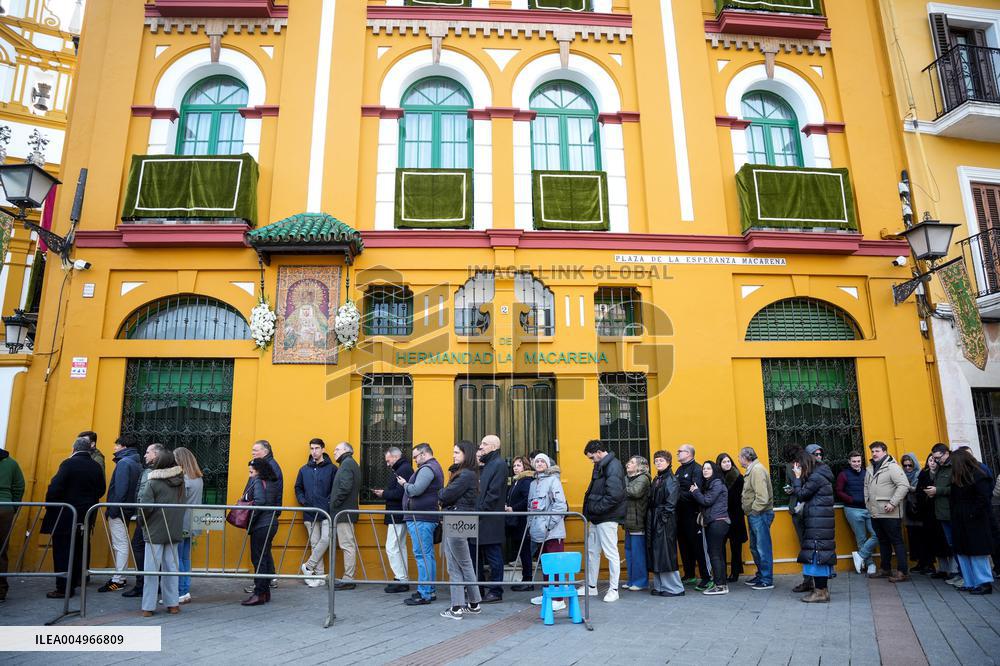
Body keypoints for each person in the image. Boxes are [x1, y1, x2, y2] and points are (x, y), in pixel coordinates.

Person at [41, 437, 105, 598]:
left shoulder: (68, 464)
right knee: (78, 549)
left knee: (62, 551)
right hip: (86, 515)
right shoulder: (96, 466)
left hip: (65, 515)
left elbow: (55, 487)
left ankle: (63, 587)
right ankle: (76, 580)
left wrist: (51, 506)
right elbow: (101, 489)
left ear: (73, 449)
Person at [438, 440, 483, 620]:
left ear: (466, 454)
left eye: (457, 452)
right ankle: (473, 602)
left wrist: (441, 493)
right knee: (463, 562)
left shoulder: (465, 475)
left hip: (458, 519)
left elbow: (446, 495)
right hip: (461, 518)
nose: (453, 455)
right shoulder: (469, 474)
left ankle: (457, 607)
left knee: (457, 564)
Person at [138, 449, 185, 617]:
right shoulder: (181, 481)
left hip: (155, 529)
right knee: (172, 568)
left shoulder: (153, 482)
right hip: (174, 529)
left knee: (151, 569)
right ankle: (173, 604)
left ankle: (148, 607)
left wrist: (141, 523)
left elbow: (145, 508)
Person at [580, 439, 625, 603]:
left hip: (606, 517)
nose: (592, 461)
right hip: (598, 517)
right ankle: (591, 587)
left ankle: (614, 589)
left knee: (610, 552)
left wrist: (595, 509)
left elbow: (615, 495)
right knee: (593, 552)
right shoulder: (603, 465)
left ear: (599, 452)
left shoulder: (612, 466)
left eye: (592, 457)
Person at [788, 450, 836, 603]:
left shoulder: (816, 477)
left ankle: (820, 592)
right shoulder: (819, 474)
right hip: (820, 520)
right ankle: (823, 591)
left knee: (817, 555)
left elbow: (801, 494)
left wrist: (796, 478)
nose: (798, 469)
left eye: (799, 466)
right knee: (819, 554)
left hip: (818, 522)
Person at [401, 443, 444, 606]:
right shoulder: (433, 467)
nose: (415, 461)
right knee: (427, 555)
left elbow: (415, 490)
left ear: (424, 454)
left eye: (415, 457)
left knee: (422, 556)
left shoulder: (427, 468)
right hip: (424, 517)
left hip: (421, 518)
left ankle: (425, 593)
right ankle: (428, 590)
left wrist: (404, 485)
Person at [99, 436, 142, 593]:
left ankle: (118, 579)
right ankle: (119, 578)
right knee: (122, 543)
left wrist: (113, 510)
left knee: (120, 544)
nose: (114, 448)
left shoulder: (124, 463)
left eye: (116, 445)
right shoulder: (135, 461)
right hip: (128, 509)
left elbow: (121, 490)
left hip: (119, 510)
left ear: (123, 446)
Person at [123, 443, 165, 599]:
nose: (145, 455)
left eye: (148, 452)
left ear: (156, 455)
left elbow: (146, 494)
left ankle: (143, 584)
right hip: (149, 517)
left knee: (140, 546)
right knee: (147, 549)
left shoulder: (153, 473)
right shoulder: (150, 471)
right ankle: (150, 583)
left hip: (148, 518)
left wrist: (141, 513)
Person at [950, 448, 995, 594]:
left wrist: (971, 514)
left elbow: (984, 499)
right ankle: (970, 582)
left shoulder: (979, 475)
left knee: (977, 552)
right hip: (961, 519)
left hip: (975, 520)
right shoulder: (958, 476)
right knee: (963, 552)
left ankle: (984, 583)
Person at [864, 441, 911, 582]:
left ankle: (903, 571)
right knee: (883, 541)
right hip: (875, 512)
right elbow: (866, 486)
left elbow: (904, 485)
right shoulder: (870, 467)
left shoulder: (892, 467)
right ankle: (885, 568)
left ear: (884, 452)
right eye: (872, 451)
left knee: (896, 541)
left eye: (877, 451)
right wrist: (867, 502)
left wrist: (893, 502)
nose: (874, 454)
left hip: (890, 512)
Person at [526, 453, 568, 609]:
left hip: (552, 532)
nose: (539, 463)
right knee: (545, 565)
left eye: (542, 461)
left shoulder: (553, 481)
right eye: (536, 461)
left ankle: (558, 599)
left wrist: (549, 525)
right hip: (538, 532)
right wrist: (531, 526)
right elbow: (530, 507)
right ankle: (547, 594)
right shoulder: (532, 484)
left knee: (555, 565)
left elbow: (561, 506)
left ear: (548, 464)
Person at [294, 438, 335, 588]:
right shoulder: (304, 469)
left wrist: (327, 503)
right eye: (312, 448)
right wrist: (303, 501)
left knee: (326, 539)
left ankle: (308, 566)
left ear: (323, 449)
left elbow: (334, 490)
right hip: (309, 512)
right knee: (315, 543)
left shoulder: (332, 469)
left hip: (326, 512)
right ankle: (319, 577)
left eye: (317, 448)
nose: (314, 451)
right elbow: (298, 487)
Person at [372, 446, 412, 593]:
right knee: (400, 546)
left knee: (392, 546)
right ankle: (402, 578)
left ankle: (401, 578)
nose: (387, 463)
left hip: (397, 513)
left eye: (388, 460)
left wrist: (384, 494)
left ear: (395, 457)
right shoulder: (404, 468)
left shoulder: (403, 469)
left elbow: (400, 493)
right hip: (399, 513)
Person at [242, 457, 281, 606]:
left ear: (258, 471)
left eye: (251, 472)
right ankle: (264, 592)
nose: (250, 475)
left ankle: (259, 593)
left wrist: (251, 520)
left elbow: (259, 502)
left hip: (261, 525)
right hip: (271, 524)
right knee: (263, 558)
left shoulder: (257, 481)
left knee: (258, 559)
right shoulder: (273, 482)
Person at [474, 435, 507, 603]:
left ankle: (496, 590)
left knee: (494, 555)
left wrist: (480, 510)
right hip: (482, 517)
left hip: (490, 518)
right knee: (479, 556)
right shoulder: (488, 465)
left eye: (484, 444)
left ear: (494, 447)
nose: (481, 447)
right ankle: (479, 588)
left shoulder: (499, 464)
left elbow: (493, 493)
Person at [647, 451, 683, 597]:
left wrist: (662, 519)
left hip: (664, 520)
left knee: (666, 553)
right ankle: (661, 585)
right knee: (657, 552)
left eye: (661, 460)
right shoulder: (658, 478)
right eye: (656, 460)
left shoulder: (671, 480)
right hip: (656, 518)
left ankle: (674, 588)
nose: (658, 462)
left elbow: (671, 503)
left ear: (668, 462)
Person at [836, 450, 878, 576]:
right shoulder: (844, 474)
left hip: (868, 508)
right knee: (861, 538)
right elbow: (839, 491)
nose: (856, 463)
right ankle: (870, 564)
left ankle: (860, 555)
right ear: (849, 462)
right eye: (854, 461)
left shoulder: (867, 473)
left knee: (877, 534)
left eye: (858, 461)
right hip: (852, 509)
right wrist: (851, 499)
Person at [690, 461, 730, 595]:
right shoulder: (711, 484)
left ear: (714, 470)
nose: (705, 471)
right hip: (716, 522)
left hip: (717, 522)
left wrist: (695, 492)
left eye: (708, 468)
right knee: (717, 554)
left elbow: (707, 501)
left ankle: (720, 586)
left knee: (715, 555)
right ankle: (722, 584)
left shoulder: (716, 483)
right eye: (704, 469)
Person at [925, 443, 961, 585]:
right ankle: (959, 573)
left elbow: (956, 488)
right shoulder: (941, 467)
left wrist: (937, 491)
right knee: (952, 544)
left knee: (957, 544)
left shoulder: (955, 467)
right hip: (941, 512)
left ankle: (961, 573)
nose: (936, 461)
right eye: (934, 458)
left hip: (951, 511)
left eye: (938, 457)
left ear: (946, 453)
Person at [740, 446, 774, 590]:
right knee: (755, 547)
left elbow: (762, 496)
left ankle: (766, 579)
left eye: (739, 457)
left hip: (759, 514)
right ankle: (761, 575)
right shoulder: (752, 470)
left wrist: (754, 511)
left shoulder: (757, 470)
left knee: (762, 547)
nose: (739, 459)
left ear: (745, 458)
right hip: (755, 515)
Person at [328, 441, 361, 591]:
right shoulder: (349, 463)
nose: (334, 452)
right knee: (347, 544)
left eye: (337, 449)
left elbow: (345, 486)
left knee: (347, 545)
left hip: (343, 512)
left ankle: (348, 578)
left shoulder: (347, 464)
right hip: (345, 511)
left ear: (346, 450)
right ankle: (348, 577)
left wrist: (334, 503)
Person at [675, 444, 709, 589]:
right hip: (679, 514)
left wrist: (678, 494)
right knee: (683, 545)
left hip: (693, 514)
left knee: (697, 546)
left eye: (680, 451)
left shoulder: (696, 469)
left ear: (688, 454)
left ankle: (706, 577)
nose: (677, 453)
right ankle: (689, 574)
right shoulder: (678, 469)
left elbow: (695, 492)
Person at [173, 447, 203, 604]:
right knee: (185, 557)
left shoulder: (184, 480)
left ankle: (180, 591)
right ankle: (185, 590)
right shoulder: (198, 478)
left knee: (177, 559)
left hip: (181, 522)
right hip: (193, 522)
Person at [918, 454, 955, 578]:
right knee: (936, 541)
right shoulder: (924, 474)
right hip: (929, 513)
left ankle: (954, 570)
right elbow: (919, 492)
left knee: (948, 542)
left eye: (935, 460)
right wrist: (925, 495)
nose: (933, 462)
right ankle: (942, 569)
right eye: (930, 460)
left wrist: (936, 491)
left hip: (944, 511)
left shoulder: (944, 473)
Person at [717, 453, 747, 582]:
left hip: (735, 516)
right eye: (724, 462)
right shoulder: (716, 478)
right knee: (719, 546)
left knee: (736, 547)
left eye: (729, 461)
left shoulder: (738, 477)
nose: (727, 464)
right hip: (721, 516)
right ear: (719, 464)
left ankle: (735, 572)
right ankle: (721, 572)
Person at [0, 447, 25, 603]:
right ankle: (1, 589)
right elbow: (19, 486)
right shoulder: (11, 463)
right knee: (1, 549)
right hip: (4, 508)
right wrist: (12, 505)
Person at [505, 456, 534, 592]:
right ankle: (525, 579)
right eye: (514, 465)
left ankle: (528, 581)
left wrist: (513, 508)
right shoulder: (517, 481)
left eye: (519, 465)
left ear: (525, 467)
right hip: (516, 522)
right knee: (521, 551)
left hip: (523, 521)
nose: (515, 468)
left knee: (525, 551)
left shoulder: (526, 481)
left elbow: (527, 499)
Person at [623, 455, 651, 591]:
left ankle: (641, 581)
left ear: (639, 466)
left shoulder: (643, 479)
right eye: (629, 461)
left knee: (638, 553)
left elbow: (635, 492)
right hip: (629, 522)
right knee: (629, 552)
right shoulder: (628, 478)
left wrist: (619, 488)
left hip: (638, 521)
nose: (628, 464)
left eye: (632, 462)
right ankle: (631, 580)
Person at [900, 453, 925, 572]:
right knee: (912, 537)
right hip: (908, 509)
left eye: (910, 465)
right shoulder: (902, 475)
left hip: (920, 509)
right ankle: (919, 562)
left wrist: (907, 488)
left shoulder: (919, 474)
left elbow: (921, 489)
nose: (907, 468)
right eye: (905, 466)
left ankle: (927, 563)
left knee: (923, 536)